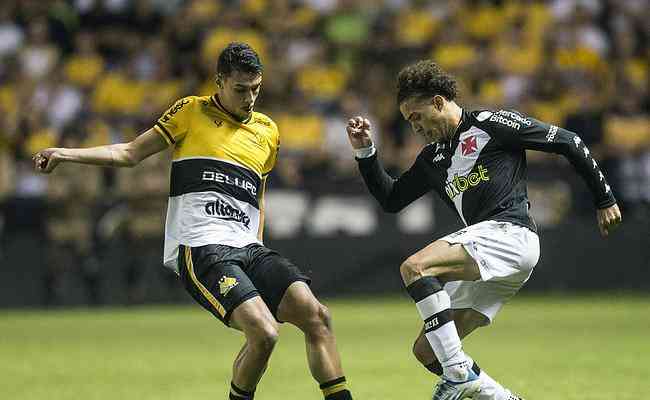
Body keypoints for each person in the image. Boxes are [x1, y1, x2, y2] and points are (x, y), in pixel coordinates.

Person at [33, 42, 354, 400]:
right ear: (219, 82)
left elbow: (256, 197)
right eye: (240, 89)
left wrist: (258, 241)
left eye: (256, 89)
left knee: (317, 316)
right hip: (201, 246)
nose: (249, 98)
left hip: (249, 247)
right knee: (264, 334)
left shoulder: (268, 132)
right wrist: (63, 153)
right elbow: (129, 153)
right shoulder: (191, 111)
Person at [345, 60, 621, 400]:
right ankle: (498, 396)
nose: (413, 126)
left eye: (416, 116)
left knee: (415, 268)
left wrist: (604, 197)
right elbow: (391, 199)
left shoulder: (491, 124)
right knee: (427, 351)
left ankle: (460, 375)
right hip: (491, 253)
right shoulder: (432, 158)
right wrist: (366, 152)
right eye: (407, 121)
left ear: (438, 101)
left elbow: (569, 141)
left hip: (511, 233)